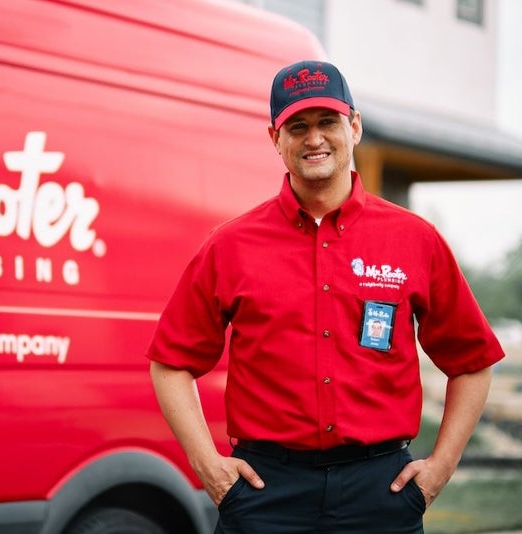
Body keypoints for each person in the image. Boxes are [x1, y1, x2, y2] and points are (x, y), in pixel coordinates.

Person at [145, 60, 504, 533]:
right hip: (265, 495)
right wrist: (208, 466)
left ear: (354, 127)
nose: (314, 138)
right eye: (297, 127)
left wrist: (439, 469)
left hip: (381, 493)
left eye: (327, 122)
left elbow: (472, 362)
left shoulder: (415, 239)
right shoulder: (229, 246)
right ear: (275, 139)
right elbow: (171, 363)